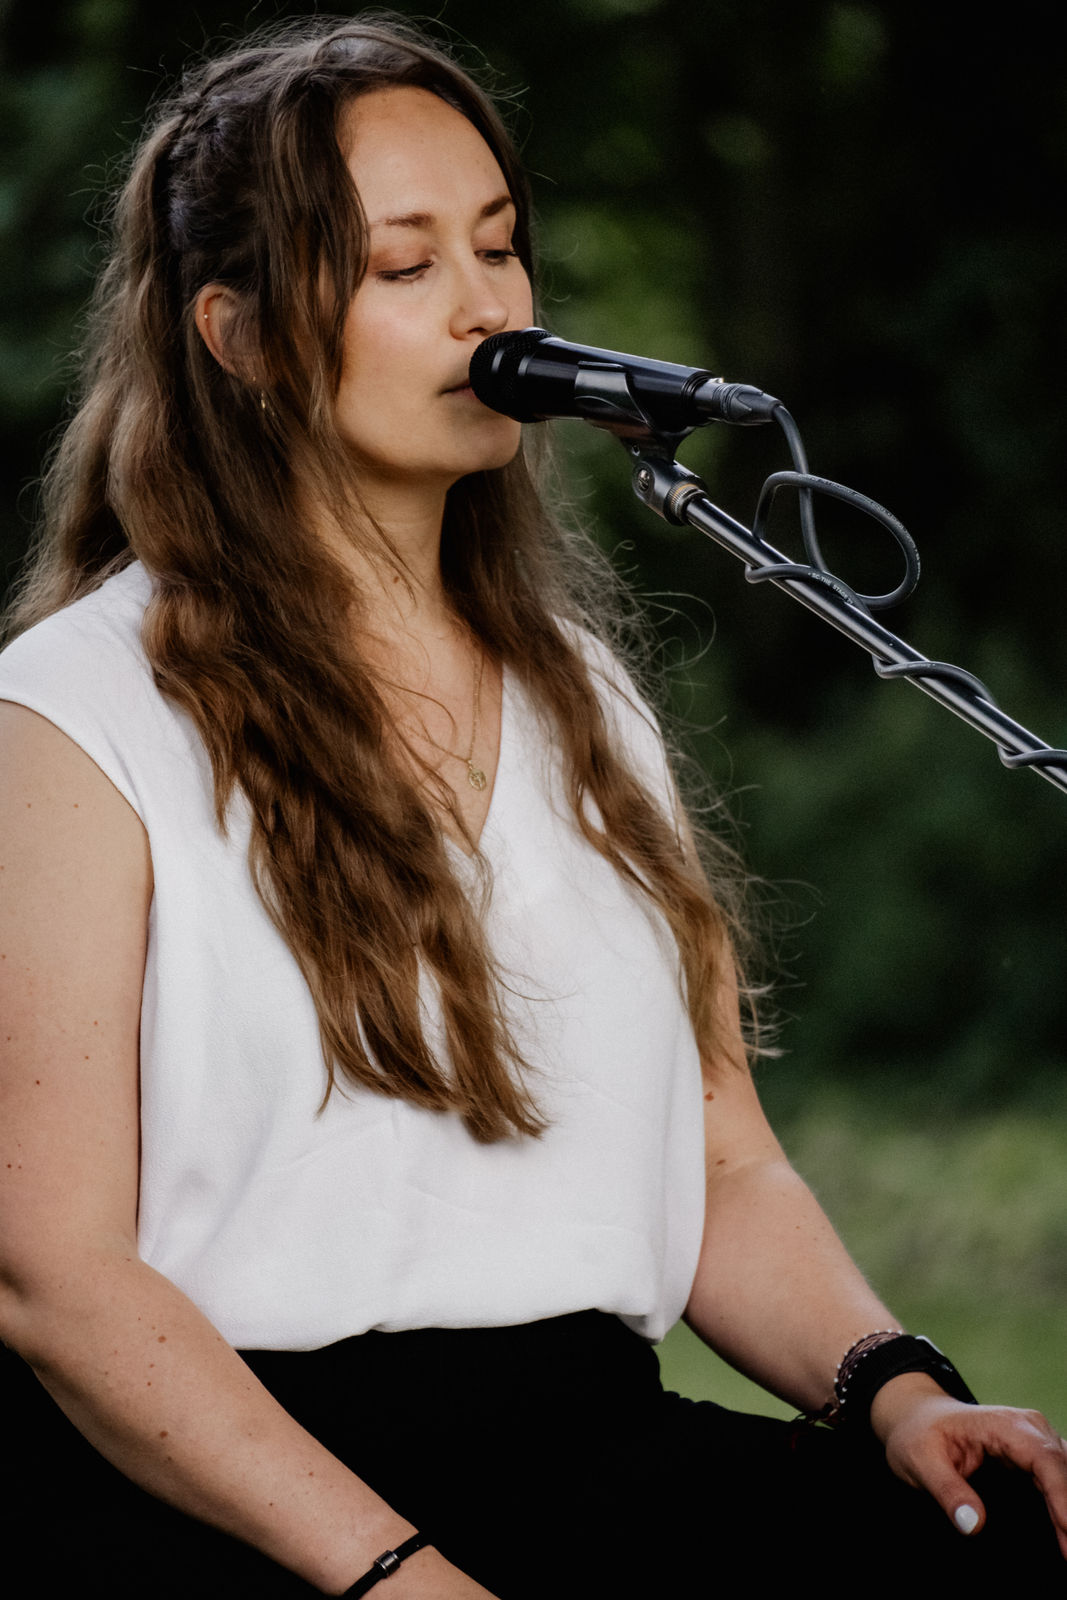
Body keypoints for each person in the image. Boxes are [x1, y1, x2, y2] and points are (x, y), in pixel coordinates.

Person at [0, 16, 1064, 1597]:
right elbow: (57, 1277)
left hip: (577, 1449)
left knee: (1007, 1546)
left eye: (500, 246)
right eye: (404, 265)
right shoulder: (74, 714)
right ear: (237, 335)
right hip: (230, 1497)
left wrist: (897, 1388)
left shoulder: (586, 702)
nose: (492, 305)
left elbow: (721, 1165)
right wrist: (397, 1579)